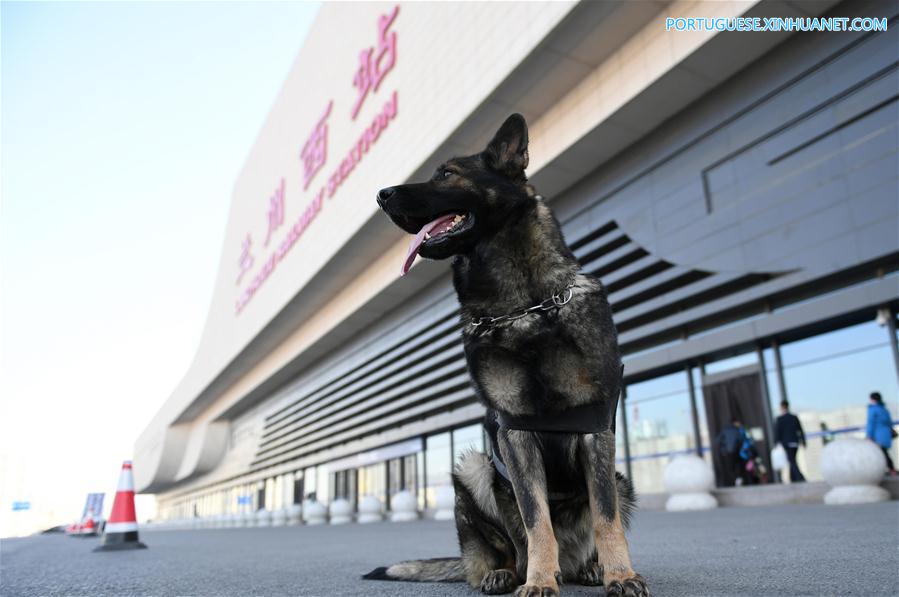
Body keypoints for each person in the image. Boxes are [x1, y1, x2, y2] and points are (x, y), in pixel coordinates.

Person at [866, 392, 897, 476]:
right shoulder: (884, 409)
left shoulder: (873, 409)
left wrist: (869, 435)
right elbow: (889, 422)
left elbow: (871, 423)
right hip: (886, 434)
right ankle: (891, 469)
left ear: (872, 399)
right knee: (884, 452)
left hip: (877, 435)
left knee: (880, 453)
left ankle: (888, 469)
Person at [774, 400, 806, 482]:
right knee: (792, 459)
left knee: (792, 461)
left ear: (781, 407)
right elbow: (800, 430)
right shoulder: (794, 417)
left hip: (786, 443)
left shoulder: (780, 419)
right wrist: (803, 441)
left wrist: (776, 443)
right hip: (795, 442)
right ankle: (793, 478)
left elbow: (778, 432)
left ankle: (800, 477)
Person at [717, 418, 750, 486]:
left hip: (728, 452)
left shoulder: (725, 430)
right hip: (736, 451)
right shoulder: (737, 430)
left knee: (731, 467)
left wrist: (724, 449)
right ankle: (738, 479)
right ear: (735, 423)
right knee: (738, 466)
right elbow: (742, 440)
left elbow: (718, 440)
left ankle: (735, 480)